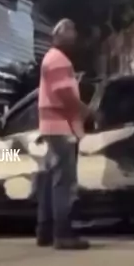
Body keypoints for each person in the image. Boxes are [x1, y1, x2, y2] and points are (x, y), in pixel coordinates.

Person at [36, 18, 92, 250]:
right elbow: (65, 94)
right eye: (71, 31)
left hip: (53, 127)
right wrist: (86, 110)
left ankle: (45, 231)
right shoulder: (58, 60)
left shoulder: (52, 58)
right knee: (63, 182)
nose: (75, 36)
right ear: (59, 35)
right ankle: (63, 234)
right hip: (60, 127)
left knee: (51, 179)